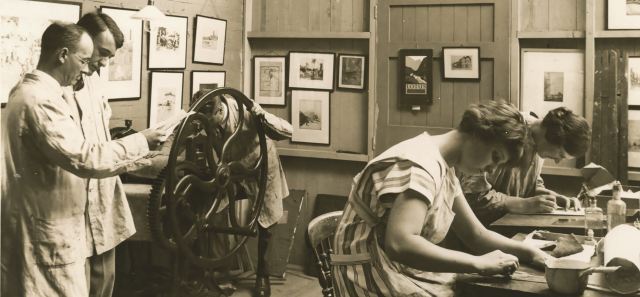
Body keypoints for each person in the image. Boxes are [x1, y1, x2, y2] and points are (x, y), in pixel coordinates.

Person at [1, 22, 164, 296]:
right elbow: (84, 157)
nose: (87, 69)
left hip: (47, 226)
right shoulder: (40, 100)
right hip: (46, 233)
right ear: (63, 54)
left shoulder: (32, 93)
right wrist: (142, 141)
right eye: (84, 60)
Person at [331, 101, 551, 297]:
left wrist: (529, 252)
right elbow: (400, 243)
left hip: (397, 269)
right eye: (495, 157)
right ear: (477, 133)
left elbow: (475, 234)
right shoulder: (420, 165)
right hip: (367, 275)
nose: (492, 170)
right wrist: (478, 263)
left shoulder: (445, 169)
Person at [131, 89, 292, 297]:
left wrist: (262, 115)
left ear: (219, 112)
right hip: (229, 170)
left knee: (267, 221)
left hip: (259, 166)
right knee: (213, 210)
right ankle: (219, 273)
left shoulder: (243, 112)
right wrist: (163, 159)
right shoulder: (200, 113)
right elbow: (176, 137)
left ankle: (263, 274)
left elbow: (287, 131)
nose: (201, 127)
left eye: (208, 123)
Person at [60, 12, 152, 297]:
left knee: (105, 278)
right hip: (72, 196)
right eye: (101, 54)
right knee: (76, 283)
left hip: (102, 192)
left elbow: (101, 134)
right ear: (82, 40)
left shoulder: (97, 81)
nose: (103, 63)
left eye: (109, 56)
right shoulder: (57, 87)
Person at [458, 107, 591, 226]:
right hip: (475, 230)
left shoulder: (541, 144)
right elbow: (472, 196)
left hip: (504, 227)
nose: (557, 161)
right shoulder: (509, 131)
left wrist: (550, 197)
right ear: (552, 136)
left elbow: (526, 184)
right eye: (560, 155)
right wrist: (524, 204)